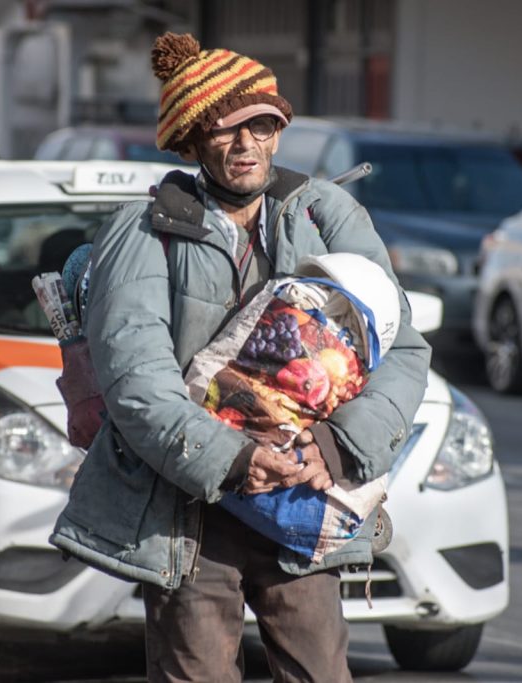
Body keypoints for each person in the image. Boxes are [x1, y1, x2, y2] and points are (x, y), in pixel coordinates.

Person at [49, 32, 431, 682]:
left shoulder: (324, 214)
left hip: (305, 502)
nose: (245, 143)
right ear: (193, 142)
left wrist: (335, 447)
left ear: (279, 130)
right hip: (191, 516)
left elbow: (403, 348)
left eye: (261, 124)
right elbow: (138, 385)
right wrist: (234, 458)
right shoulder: (142, 233)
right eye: (224, 130)